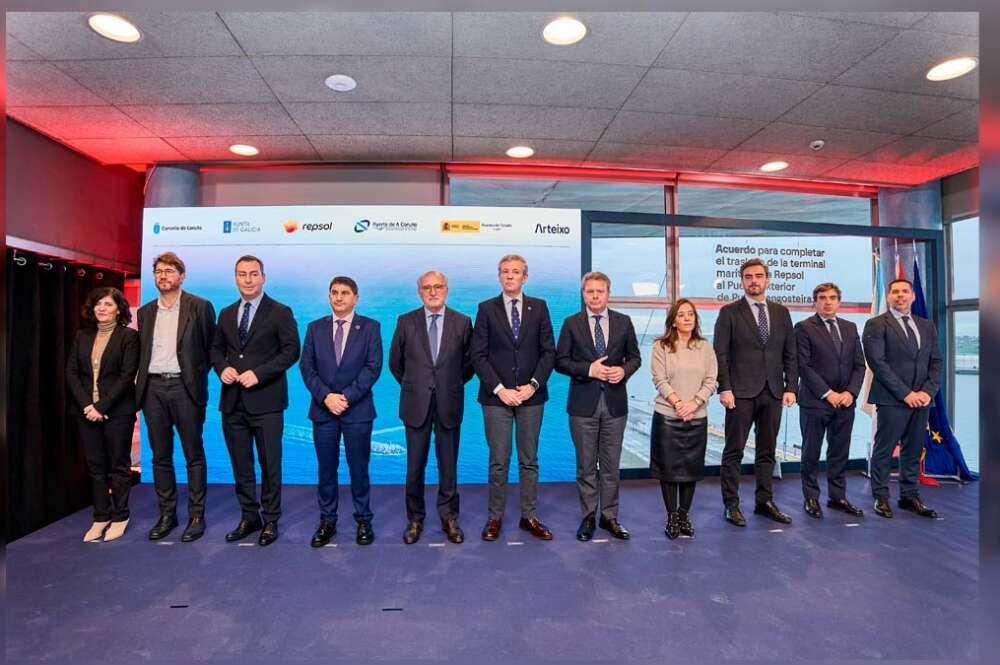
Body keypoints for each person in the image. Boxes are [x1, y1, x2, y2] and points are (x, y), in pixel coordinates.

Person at [211, 255, 300, 547]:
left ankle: (270, 519)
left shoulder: (280, 312)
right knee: (241, 465)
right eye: (242, 274)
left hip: (267, 402)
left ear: (263, 277)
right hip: (232, 402)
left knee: (270, 464)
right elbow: (216, 350)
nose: (247, 279)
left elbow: (291, 352)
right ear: (235, 278)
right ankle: (249, 517)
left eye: (253, 274)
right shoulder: (225, 313)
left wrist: (259, 374)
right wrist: (222, 368)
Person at [471, 254, 556, 541]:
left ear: (525, 277)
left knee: (529, 460)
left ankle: (528, 516)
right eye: (505, 272)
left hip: (531, 396)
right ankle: (495, 517)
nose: (510, 276)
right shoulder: (485, 309)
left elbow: (548, 353)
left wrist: (532, 385)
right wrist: (500, 389)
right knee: (498, 459)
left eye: (515, 272)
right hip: (496, 398)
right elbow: (477, 355)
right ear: (499, 276)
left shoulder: (540, 307)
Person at [135, 252, 217, 542]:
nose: (163, 276)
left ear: (181, 276)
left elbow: (211, 350)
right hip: (152, 390)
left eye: (169, 271)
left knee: (193, 455)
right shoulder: (145, 312)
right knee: (160, 456)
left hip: (185, 388)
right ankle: (167, 515)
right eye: (158, 271)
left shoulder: (200, 307)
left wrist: (192, 379)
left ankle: (197, 516)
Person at [388, 271, 474, 545]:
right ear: (419, 292)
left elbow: (469, 365)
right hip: (416, 404)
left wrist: (447, 383)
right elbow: (395, 363)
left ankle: (449, 518)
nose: (433, 292)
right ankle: (415, 519)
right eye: (427, 288)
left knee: (448, 466)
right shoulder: (406, 321)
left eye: (438, 287)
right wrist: (417, 384)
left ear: (446, 290)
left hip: (449, 402)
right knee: (415, 467)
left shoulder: (462, 322)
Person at [554, 272, 641, 541]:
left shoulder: (624, 322)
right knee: (586, 465)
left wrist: (623, 371)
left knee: (612, 466)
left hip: (615, 405)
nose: (594, 296)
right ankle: (588, 516)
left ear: (608, 293)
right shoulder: (571, 323)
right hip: (582, 405)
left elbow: (635, 358)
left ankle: (610, 517)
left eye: (599, 291)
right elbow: (560, 361)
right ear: (583, 294)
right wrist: (588, 370)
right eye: (589, 291)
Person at [714, 257, 798, 527]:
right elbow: (721, 354)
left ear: (767, 279)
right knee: (733, 451)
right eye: (748, 276)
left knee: (767, 451)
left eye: (758, 276)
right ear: (742, 281)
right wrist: (724, 387)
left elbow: (790, 354)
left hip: (773, 391)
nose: (754, 281)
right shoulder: (729, 312)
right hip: (739, 393)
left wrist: (791, 387)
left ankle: (764, 502)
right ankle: (731, 505)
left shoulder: (781, 312)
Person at [300, 276, 383, 547]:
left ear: (356, 298)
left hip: (356, 411)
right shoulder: (314, 328)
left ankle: (363, 520)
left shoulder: (370, 327)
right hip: (324, 412)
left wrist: (345, 397)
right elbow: (307, 368)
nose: (339, 297)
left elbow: (373, 367)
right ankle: (327, 521)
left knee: (359, 469)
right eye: (334, 292)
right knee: (326, 470)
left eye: (345, 293)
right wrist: (326, 397)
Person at [862, 278, 943, 519]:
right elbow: (878, 363)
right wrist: (906, 394)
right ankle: (881, 497)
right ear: (888, 297)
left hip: (922, 400)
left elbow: (936, 361)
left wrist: (926, 392)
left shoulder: (926, 326)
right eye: (895, 292)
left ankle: (909, 496)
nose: (900, 295)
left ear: (913, 296)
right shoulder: (876, 324)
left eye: (905, 291)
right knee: (884, 450)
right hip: (891, 399)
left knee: (913, 449)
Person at [66, 287, 139, 542]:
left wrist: (102, 406)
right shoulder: (82, 336)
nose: (102, 309)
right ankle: (101, 516)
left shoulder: (129, 337)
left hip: (117, 411)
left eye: (108, 304)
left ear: (119, 308)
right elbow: (72, 373)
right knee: (96, 467)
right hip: (86, 411)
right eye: (98, 304)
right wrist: (88, 405)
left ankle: (120, 516)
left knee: (119, 465)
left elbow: (127, 375)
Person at [794, 282, 866, 519]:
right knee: (811, 453)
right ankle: (811, 499)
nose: (827, 302)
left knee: (839, 452)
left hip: (845, 403)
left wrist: (850, 393)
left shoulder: (850, 327)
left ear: (839, 301)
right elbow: (803, 366)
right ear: (814, 302)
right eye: (822, 297)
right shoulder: (803, 328)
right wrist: (828, 393)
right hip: (815, 402)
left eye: (833, 297)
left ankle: (838, 497)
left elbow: (859, 365)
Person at [650, 299, 718, 539]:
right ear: (674, 321)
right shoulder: (661, 346)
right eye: (682, 315)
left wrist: (694, 403)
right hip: (668, 417)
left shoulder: (705, 347)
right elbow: (659, 379)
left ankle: (683, 515)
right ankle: (671, 517)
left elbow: (712, 380)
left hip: (696, 416)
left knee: (690, 470)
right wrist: (679, 404)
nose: (687, 318)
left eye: (691, 314)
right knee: (669, 471)